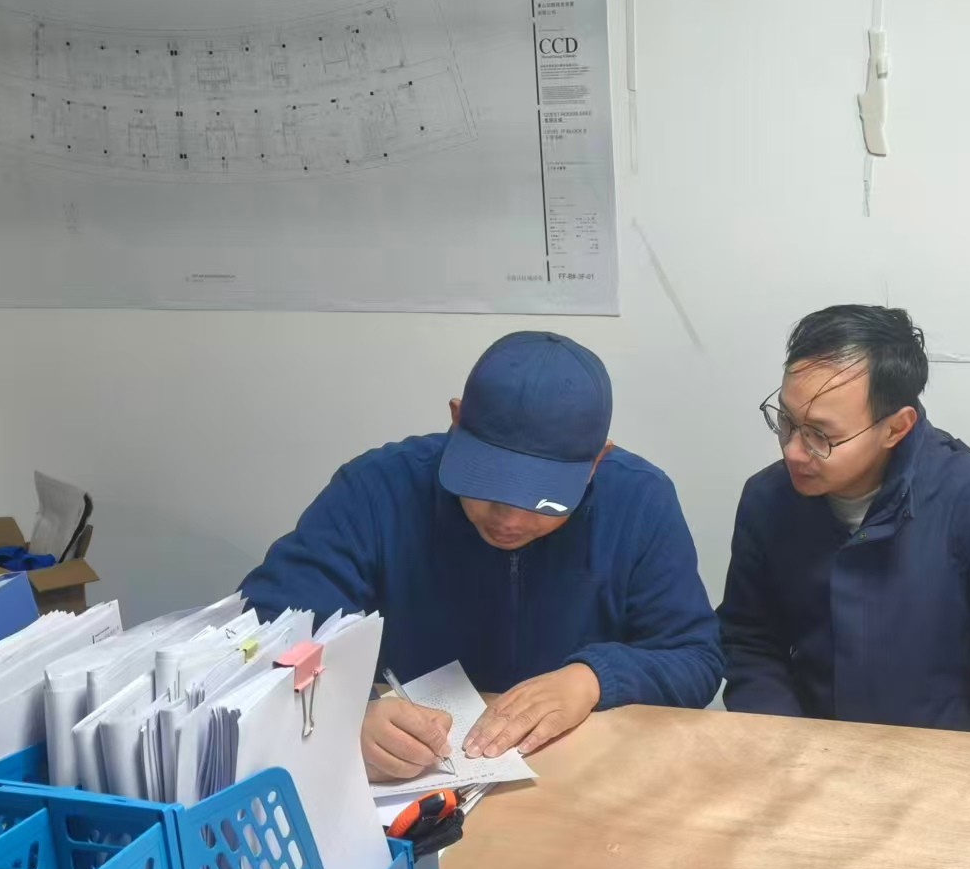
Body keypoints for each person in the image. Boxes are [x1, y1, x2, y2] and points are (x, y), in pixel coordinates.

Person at [241, 331, 723, 780]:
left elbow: (695, 658)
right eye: (485, 486)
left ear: (597, 460)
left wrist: (593, 679)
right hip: (417, 784)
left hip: (580, 777)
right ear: (456, 422)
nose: (508, 520)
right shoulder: (378, 489)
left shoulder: (638, 501)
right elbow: (266, 627)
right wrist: (344, 712)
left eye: (542, 501)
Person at [717, 304, 970, 738]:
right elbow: (750, 642)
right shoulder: (768, 499)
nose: (792, 451)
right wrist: (786, 743)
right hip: (814, 755)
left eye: (820, 435)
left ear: (896, 428)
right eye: (786, 421)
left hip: (948, 760)